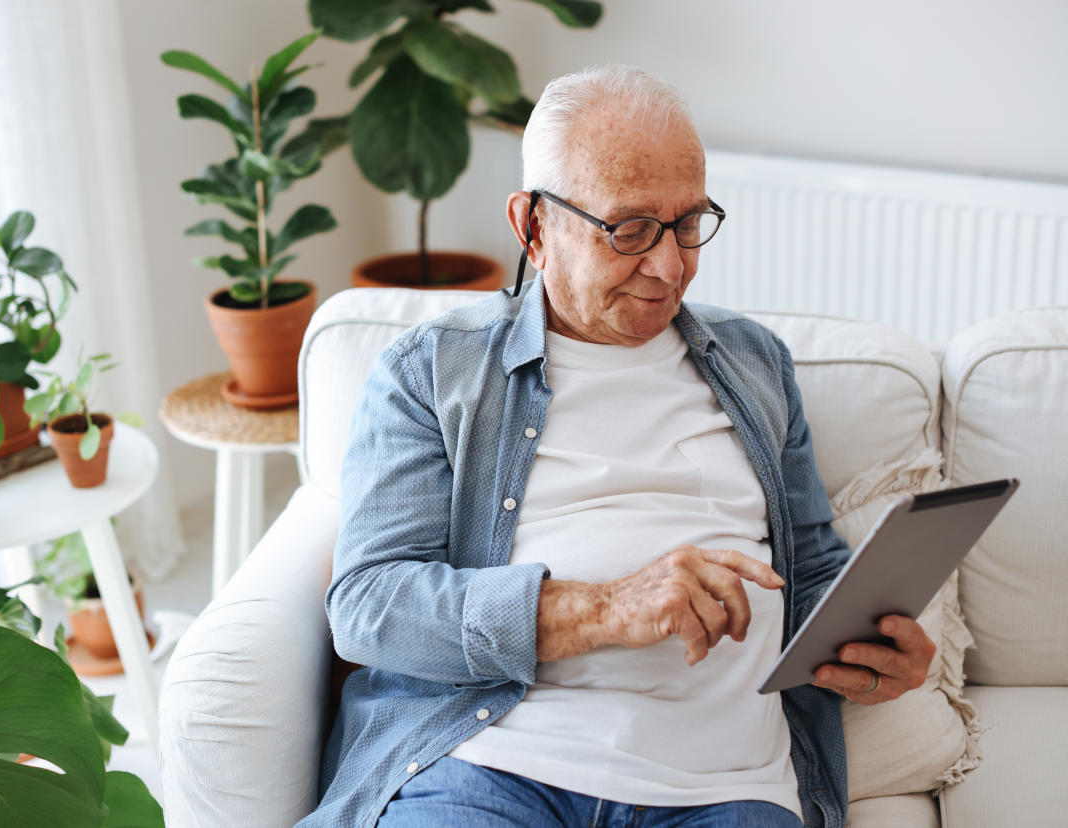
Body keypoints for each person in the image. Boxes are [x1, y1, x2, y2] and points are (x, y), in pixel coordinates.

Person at [300, 65, 935, 828]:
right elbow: (370, 607)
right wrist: (602, 608)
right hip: (491, 765)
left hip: (723, 789)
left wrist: (867, 649)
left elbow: (810, 567)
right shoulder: (433, 371)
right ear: (532, 226)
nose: (669, 266)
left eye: (689, 223)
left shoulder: (755, 362)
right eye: (628, 230)